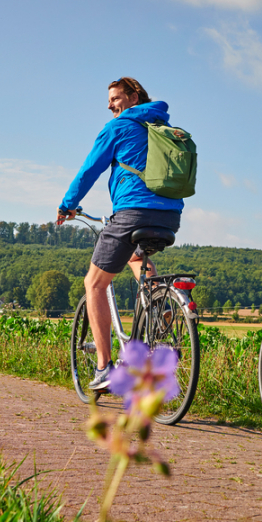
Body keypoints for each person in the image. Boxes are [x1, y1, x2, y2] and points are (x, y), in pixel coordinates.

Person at [57, 77, 183, 391]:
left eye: (115, 98)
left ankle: (104, 368)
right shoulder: (163, 127)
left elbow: (89, 170)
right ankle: (160, 306)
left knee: (94, 284)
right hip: (170, 215)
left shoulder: (119, 127)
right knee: (135, 255)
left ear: (133, 95)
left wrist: (67, 205)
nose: (111, 105)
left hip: (133, 212)